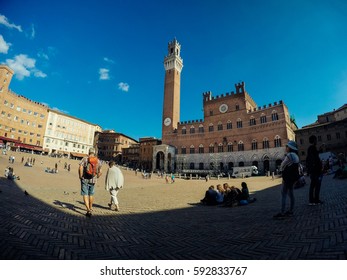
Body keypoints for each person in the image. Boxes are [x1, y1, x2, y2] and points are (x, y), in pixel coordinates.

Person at [274, 140, 300, 218]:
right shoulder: (296, 156)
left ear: (290, 147)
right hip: (293, 178)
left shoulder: (289, 155)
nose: (286, 147)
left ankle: (282, 212)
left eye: (287, 146)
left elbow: (282, 165)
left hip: (287, 178)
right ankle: (291, 211)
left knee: (284, 195)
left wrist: (280, 170)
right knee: (291, 194)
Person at [78, 147, 102, 217]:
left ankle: (88, 210)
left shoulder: (85, 158)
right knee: (91, 195)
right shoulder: (98, 161)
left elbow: (80, 167)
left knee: (85, 194)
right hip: (93, 180)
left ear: (89, 152)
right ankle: (90, 208)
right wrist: (96, 177)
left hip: (85, 179)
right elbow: (100, 172)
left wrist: (80, 176)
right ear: (94, 153)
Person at [306, 135, 323, 205]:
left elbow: (314, 156)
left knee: (312, 186)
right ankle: (316, 200)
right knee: (317, 185)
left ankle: (311, 201)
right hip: (316, 171)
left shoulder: (310, 148)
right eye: (316, 140)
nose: (317, 141)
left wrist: (319, 149)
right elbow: (315, 159)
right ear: (314, 140)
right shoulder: (312, 148)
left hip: (313, 171)